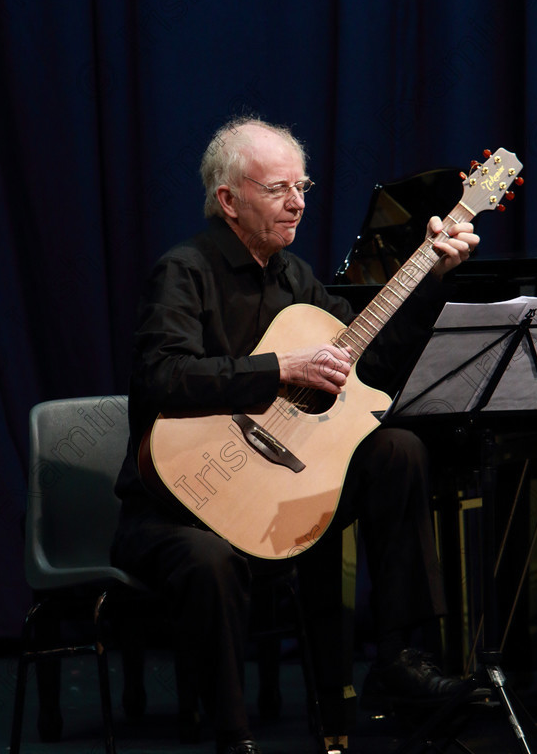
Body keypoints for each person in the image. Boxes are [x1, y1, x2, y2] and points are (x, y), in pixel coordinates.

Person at [111, 116, 481, 754]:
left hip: (275, 495)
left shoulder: (295, 280)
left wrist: (431, 281)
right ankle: (234, 738)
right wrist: (278, 369)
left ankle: (399, 659)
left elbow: (372, 371)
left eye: (303, 186)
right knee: (209, 560)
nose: (299, 202)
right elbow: (160, 377)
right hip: (176, 508)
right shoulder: (184, 271)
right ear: (229, 199)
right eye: (279, 188)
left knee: (397, 450)